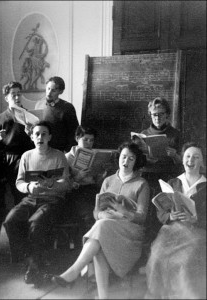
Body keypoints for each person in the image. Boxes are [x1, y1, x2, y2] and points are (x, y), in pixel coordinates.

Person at [51, 142, 150, 299]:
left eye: (131, 159)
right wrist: (101, 215)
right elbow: (97, 212)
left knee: (100, 230)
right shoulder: (108, 181)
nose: (126, 162)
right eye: (123, 157)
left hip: (130, 234)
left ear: (136, 162)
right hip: (106, 229)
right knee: (100, 242)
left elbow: (141, 217)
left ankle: (75, 271)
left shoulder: (142, 184)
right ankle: (103, 297)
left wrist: (121, 210)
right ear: (119, 158)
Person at [3, 121, 72, 286]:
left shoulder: (58, 156)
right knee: (10, 220)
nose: (40, 137)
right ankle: (30, 261)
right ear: (32, 137)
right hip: (30, 198)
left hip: (52, 199)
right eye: (37, 134)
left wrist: (53, 184)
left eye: (44, 134)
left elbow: (66, 183)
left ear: (49, 137)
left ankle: (34, 266)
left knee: (36, 223)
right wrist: (28, 186)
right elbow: (19, 182)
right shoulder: (27, 156)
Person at [145, 142, 206, 299]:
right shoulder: (173, 183)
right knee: (157, 254)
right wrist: (169, 216)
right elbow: (161, 212)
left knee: (187, 259)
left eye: (195, 157)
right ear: (183, 159)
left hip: (197, 231)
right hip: (171, 230)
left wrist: (196, 219)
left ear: (202, 161)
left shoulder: (205, 185)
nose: (190, 160)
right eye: (187, 156)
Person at [133, 97, 183, 243]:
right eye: (154, 114)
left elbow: (183, 162)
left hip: (169, 177)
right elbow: (137, 161)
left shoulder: (175, 134)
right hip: (148, 177)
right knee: (147, 212)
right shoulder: (144, 133)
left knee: (164, 211)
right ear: (150, 115)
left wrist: (175, 155)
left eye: (161, 114)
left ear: (167, 115)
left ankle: (163, 244)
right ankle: (146, 246)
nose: (158, 117)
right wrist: (144, 158)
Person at [0, 81, 34, 205]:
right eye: (13, 95)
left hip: (29, 157)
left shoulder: (29, 116)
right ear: (6, 98)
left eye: (19, 94)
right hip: (11, 159)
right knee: (17, 192)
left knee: (30, 192)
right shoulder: (0, 118)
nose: (17, 97)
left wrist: (31, 135)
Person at [65, 125, 109, 233]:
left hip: (93, 190)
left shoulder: (95, 155)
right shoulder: (67, 158)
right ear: (77, 139)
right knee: (90, 215)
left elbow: (97, 181)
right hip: (76, 192)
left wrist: (104, 172)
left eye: (91, 140)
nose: (89, 143)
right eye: (85, 140)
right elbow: (65, 185)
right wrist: (79, 176)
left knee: (107, 211)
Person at [35, 76, 79, 152]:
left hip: (60, 150)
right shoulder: (39, 104)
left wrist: (67, 152)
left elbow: (74, 132)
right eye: (48, 89)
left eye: (53, 90)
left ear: (61, 91)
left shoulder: (68, 107)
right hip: (42, 149)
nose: (49, 93)